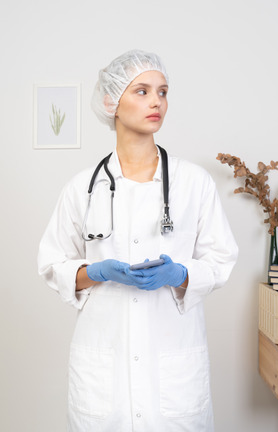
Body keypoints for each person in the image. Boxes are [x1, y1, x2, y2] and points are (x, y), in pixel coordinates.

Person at [38, 49, 238, 432]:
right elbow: (52, 264)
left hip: (173, 369)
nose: (157, 102)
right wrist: (94, 270)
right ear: (112, 102)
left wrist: (179, 273)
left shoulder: (193, 182)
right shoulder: (82, 187)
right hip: (103, 367)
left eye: (163, 92)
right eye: (142, 91)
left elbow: (221, 259)